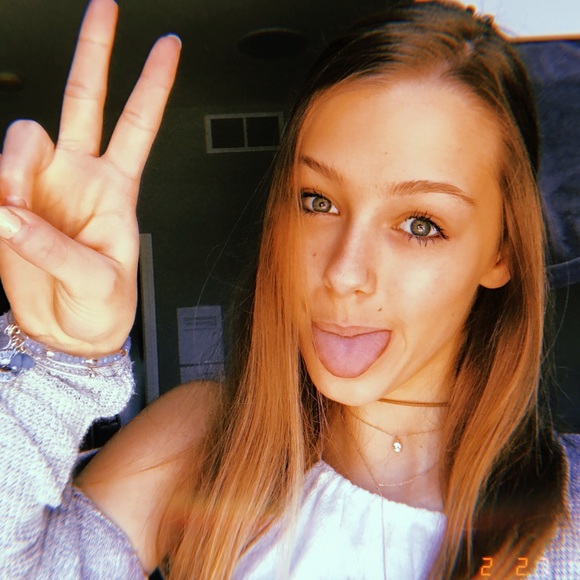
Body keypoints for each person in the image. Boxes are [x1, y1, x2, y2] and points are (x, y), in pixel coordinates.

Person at [0, 0, 578, 578]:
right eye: (318, 201)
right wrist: (58, 359)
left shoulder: (567, 517)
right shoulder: (198, 444)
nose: (344, 272)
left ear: (501, 251)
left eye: (420, 225)